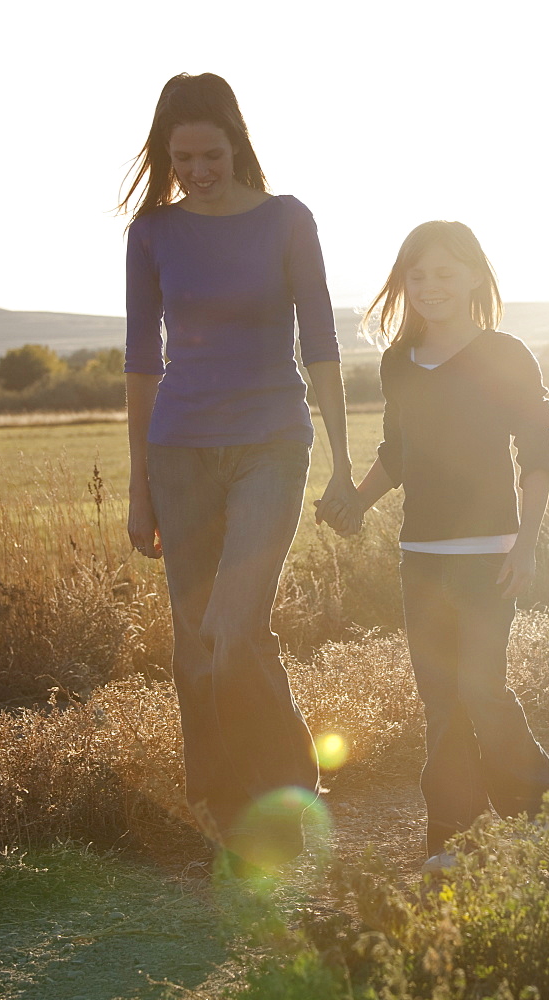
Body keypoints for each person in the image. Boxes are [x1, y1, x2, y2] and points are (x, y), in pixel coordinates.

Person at [119, 72, 359, 872]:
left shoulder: (288, 222)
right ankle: (227, 810)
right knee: (200, 643)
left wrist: (343, 459)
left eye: (210, 153)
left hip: (270, 444)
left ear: (236, 143)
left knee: (230, 626)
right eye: (180, 156)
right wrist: (137, 481)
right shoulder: (152, 235)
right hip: (178, 451)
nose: (196, 169)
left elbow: (321, 339)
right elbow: (140, 362)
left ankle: (286, 797)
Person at [318, 221, 549, 874]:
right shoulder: (399, 361)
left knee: (482, 688)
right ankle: (453, 840)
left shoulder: (507, 355)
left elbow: (538, 453)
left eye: (445, 274)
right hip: (422, 559)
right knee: (442, 700)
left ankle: (538, 805)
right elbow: (396, 453)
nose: (429, 287)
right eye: (417, 276)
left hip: (491, 556)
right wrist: (354, 503)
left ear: (476, 278)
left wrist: (527, 545)